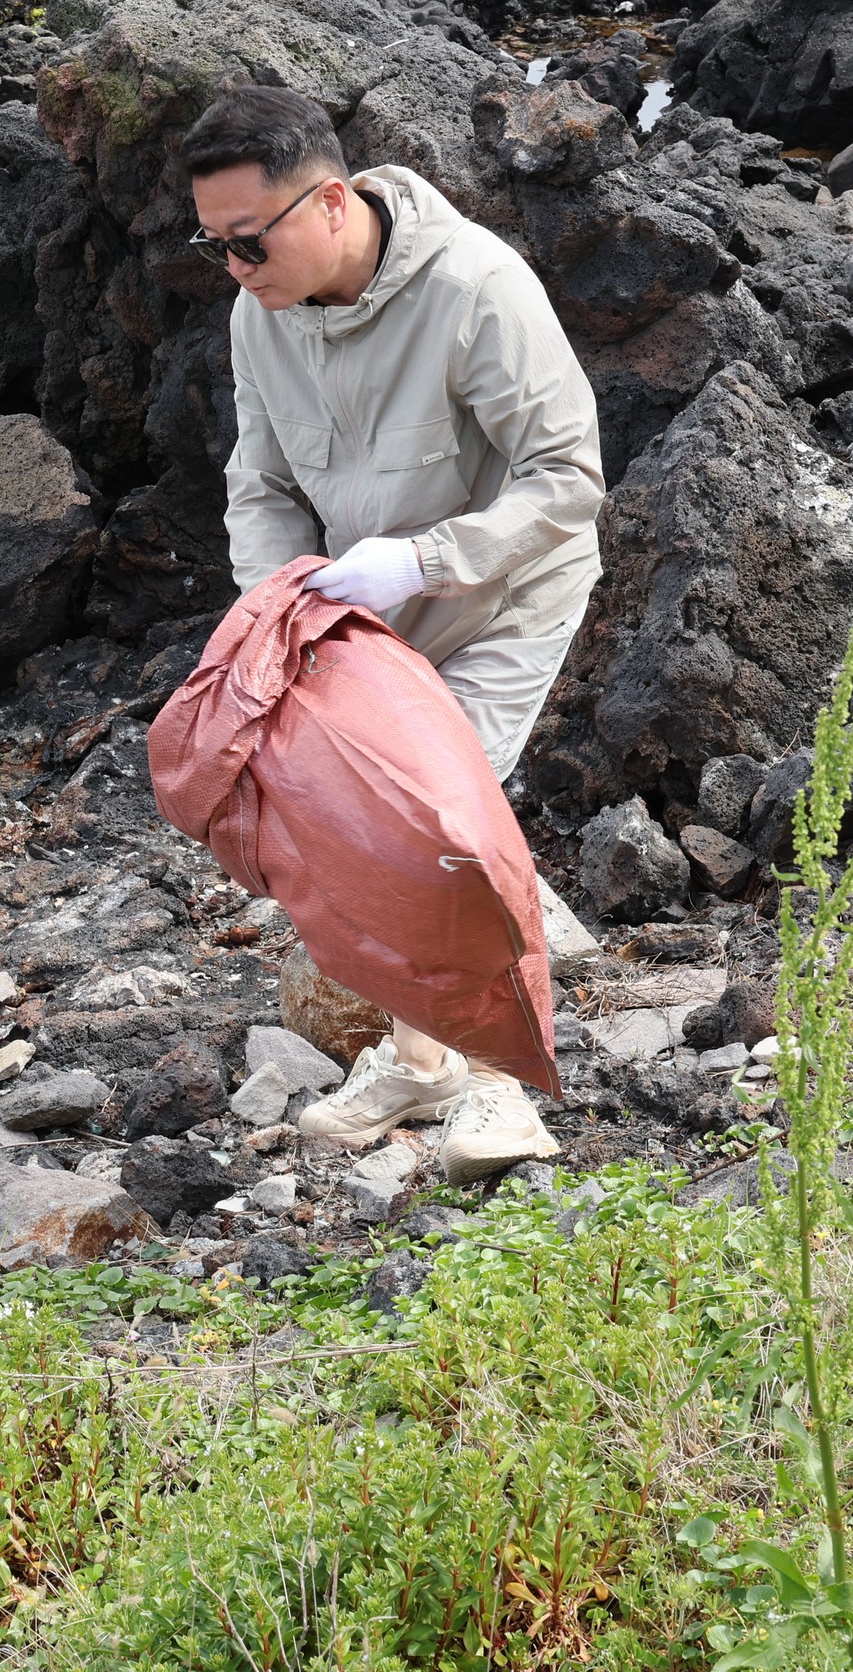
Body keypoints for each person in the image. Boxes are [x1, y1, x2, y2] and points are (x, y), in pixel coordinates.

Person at [184, 82, 604, 1181]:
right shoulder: (259, 312)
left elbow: (569, 481)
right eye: (213, 244)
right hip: (363, 617)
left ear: (328, 203)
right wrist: (275, 598)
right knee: (343, 825)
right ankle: (424, 1061)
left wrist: (423, 560)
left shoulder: (476, 289)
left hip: (505, 589)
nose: (233, 267)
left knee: (441, 828)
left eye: (245, 241)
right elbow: (260, 481)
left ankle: (506, 1092)